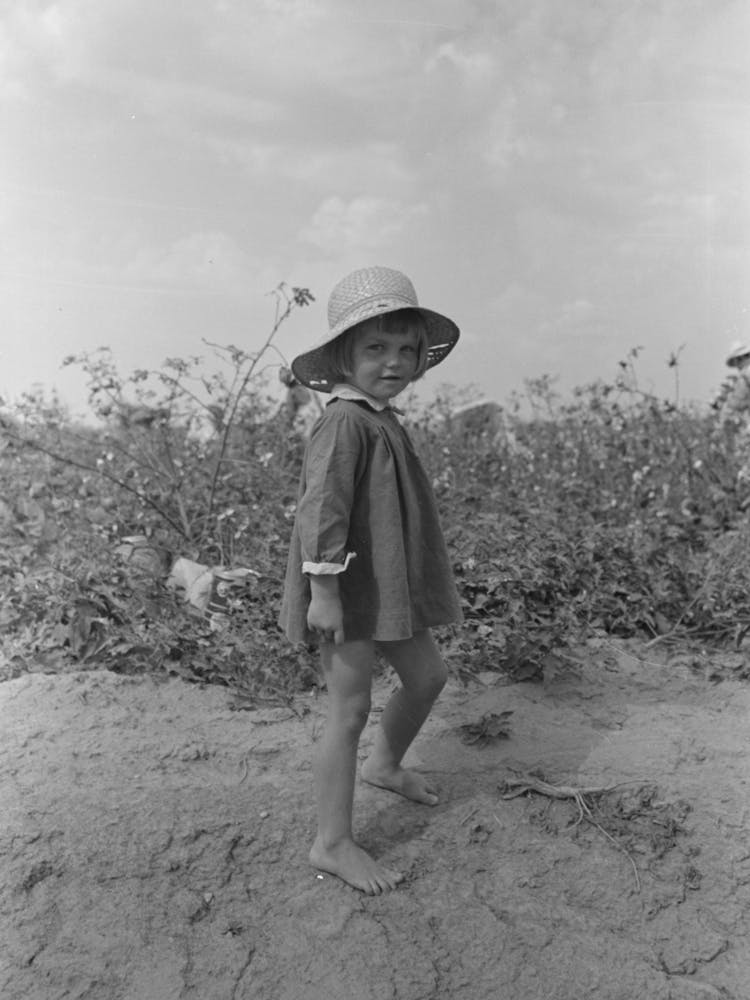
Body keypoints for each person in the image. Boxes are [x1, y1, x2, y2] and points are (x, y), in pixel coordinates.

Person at [279, 265, 462, 894]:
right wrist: (325, 593)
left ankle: (385, 765)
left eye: (405, 349)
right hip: (346, 591)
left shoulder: (381, 418)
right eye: (375, 348)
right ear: (342, 357)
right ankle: (332, 842)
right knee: (349, 709)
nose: (394, 362)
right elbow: (321, 508)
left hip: (385, 586)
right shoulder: (345, 422)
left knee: (428, 676)